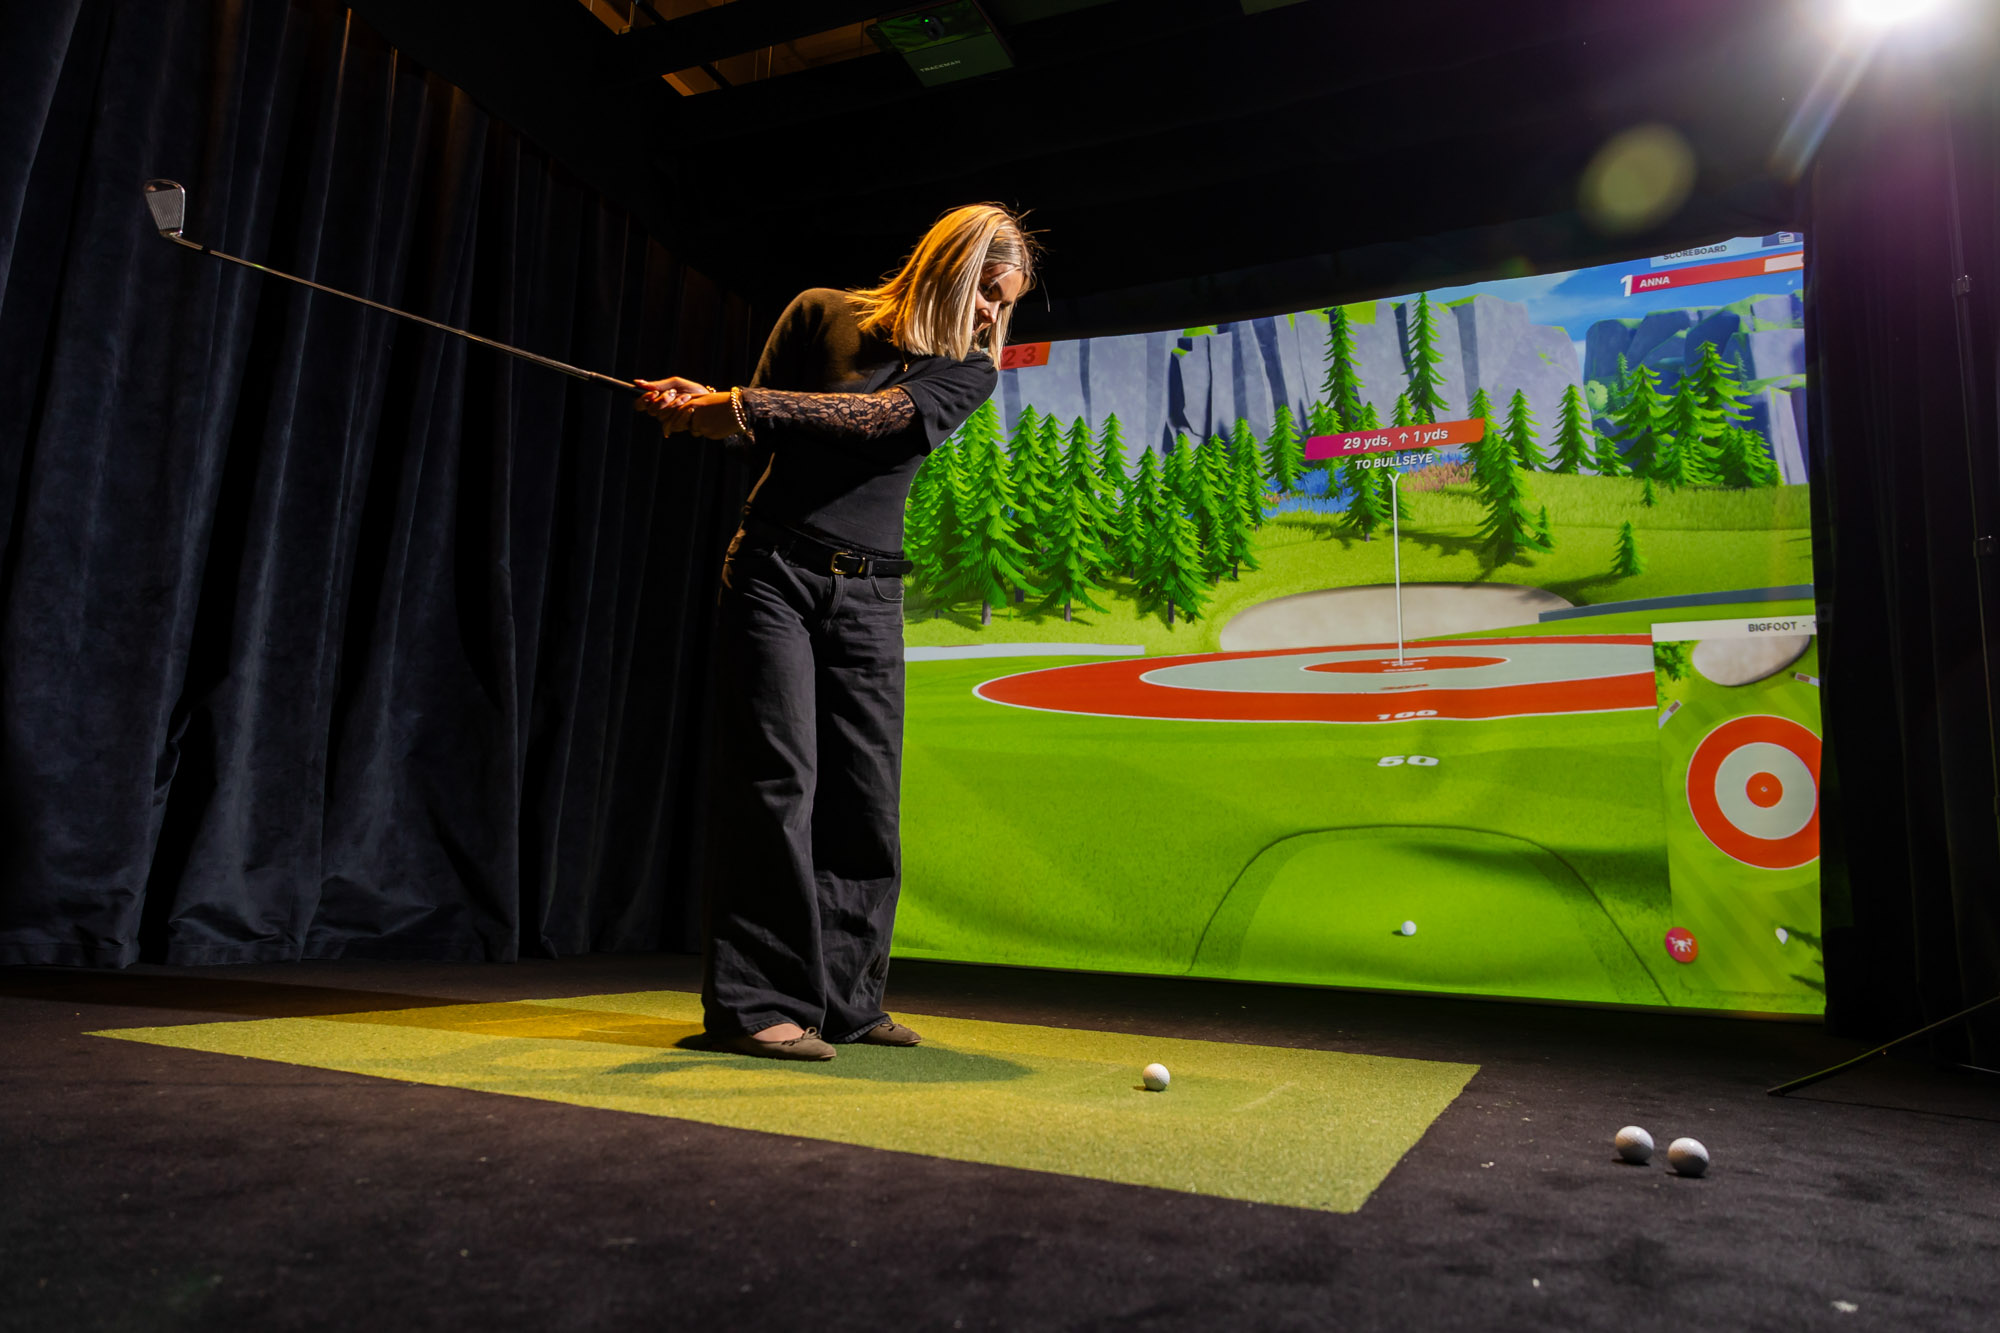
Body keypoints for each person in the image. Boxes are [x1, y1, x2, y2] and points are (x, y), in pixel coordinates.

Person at [636, 204, 1036, 1061]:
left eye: (1004, 306)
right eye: (988, 295)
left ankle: (848, 1002)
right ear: (952, 267)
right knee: (775, 783)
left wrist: (741, 405)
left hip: (871, 594)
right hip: (773, 573)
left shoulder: (967, 370)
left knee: (864, 800)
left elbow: (877, 421)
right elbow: (760, 434)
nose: (992, 318)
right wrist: (700, 406)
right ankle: (755, 1006)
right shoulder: (820, 311)